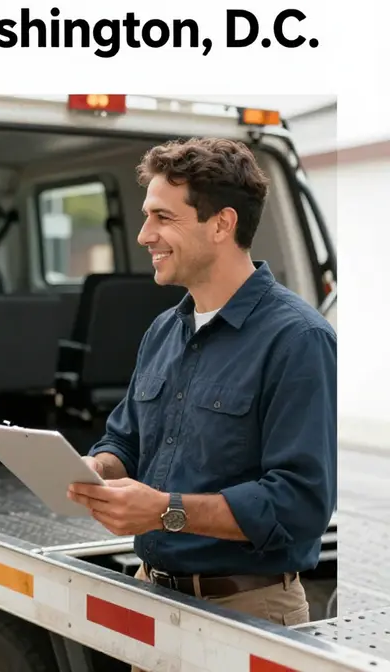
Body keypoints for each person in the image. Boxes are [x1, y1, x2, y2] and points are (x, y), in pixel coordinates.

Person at [67, 138, 336, 660]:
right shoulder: (164, 330)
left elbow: (299, 504)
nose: (146, 235)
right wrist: (98, 468)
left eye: (163, 218)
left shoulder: (298, 338)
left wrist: (165, 511)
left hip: (248, 616)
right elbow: (124, 438)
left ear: (221, 224)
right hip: (152, 598)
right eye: (147, 217)